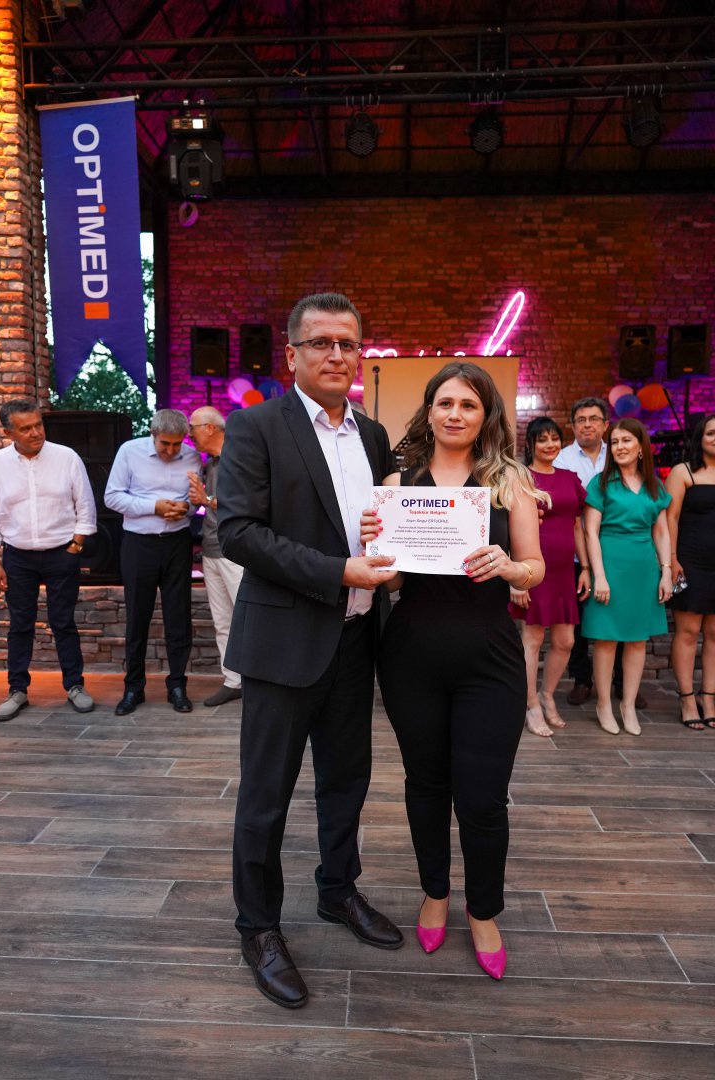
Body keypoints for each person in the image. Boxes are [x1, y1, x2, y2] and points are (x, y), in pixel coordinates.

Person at [217, 292, 403, 1010]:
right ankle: (258, 927)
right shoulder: (257, 425)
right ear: (292, 353)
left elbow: (393, 520)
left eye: (347, 343)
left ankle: (337, 890)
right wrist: (338, 571)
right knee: (265, 795)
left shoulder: (374, 435)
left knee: (346, 781)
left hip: (357, 639)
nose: (336, 355)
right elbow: (239, 532)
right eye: (321, 342)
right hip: (285, 640)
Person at [363, 361, 545, 980]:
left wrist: (510, 567)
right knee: (426, 784)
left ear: (486, 415)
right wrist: (377, 553)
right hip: (411, 653)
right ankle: (435, 893)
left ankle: (484, 910)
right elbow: (390, 580)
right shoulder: (399, 483)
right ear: (430, 410)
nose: (455, 414)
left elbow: (534, 568)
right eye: (445, 402)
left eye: (468, 404)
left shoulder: (510, 481)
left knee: (483, 797)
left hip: (489, 657)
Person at [0, 399, 97, 721]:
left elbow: (86, 506)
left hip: (61, 554)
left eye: (38, 424)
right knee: (20, 625)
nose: (36, 432)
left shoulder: (66, 457)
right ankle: (17, 690)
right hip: (17, 557)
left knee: (63, 622)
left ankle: (75, 686)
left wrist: (75, 547)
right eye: (26, 428)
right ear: (8, 433)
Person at [104, 409, 201, 716]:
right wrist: (154, 506)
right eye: (165, 444)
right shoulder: (129, 451)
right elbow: (111, 497)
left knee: (178, 618)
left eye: (177, 444)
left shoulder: (192, 457)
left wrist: (184, 508)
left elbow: (193, 503)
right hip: (138, 544)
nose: (171, 450)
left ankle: (177, 686)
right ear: (153, 434)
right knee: (137, 617)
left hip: (177, 543)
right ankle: (133, 687)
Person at [554, 397, 646, 709]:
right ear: (573, 426)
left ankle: (622, 683)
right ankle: (582, 680)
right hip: (576, 553)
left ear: (605, 425)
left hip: (618, 555)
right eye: (581, 420)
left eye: (594, 419)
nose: (587, 425)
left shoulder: (619, 452)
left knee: (620, 619)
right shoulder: (563, 459)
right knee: (579, 623)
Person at [582, 418, 672, 737]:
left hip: (644, 569)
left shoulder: (655, 485)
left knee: (637, 640)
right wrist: (599, 576)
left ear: (641, 447)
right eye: (615, 442)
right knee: (606, 639)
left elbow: (661, 532)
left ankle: (628, 705)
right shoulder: (601, 483)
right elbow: (590, 532)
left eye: (626, 441)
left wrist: (666, 571)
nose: (619, 447)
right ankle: (604, 704)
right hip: (610, 564)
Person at [509, 417, 588, 737]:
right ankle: (530, 704)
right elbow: (509, 527)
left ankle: (547, 695)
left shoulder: (570, 478)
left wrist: (585, 567)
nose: (550, 444)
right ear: (531, 444)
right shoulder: (521, 477)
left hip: (564, 572)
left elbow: (577, 526)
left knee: (566, 640)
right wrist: (517, 577)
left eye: (555, 438)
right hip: (532, 569)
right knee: (533, 640)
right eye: (542, 439)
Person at [187, 406, 243, 707]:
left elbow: (242, 501)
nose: (189, 434)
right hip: (210, 550)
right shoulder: (209, 464)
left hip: (234, 552)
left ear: (209, 428)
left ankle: (259, 682)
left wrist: (205, 499)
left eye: (192, 427)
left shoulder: (239, 456)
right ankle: (233, 681)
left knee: (246, 618)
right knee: (223, 621)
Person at [665, 412, 715, 730]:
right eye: (711, 433)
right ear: (700, 438)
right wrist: (671, 559)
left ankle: (708, 697)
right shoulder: (683, 472)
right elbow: (669, 518)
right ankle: (686, 698)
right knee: (688, 632)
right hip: (691, 561)